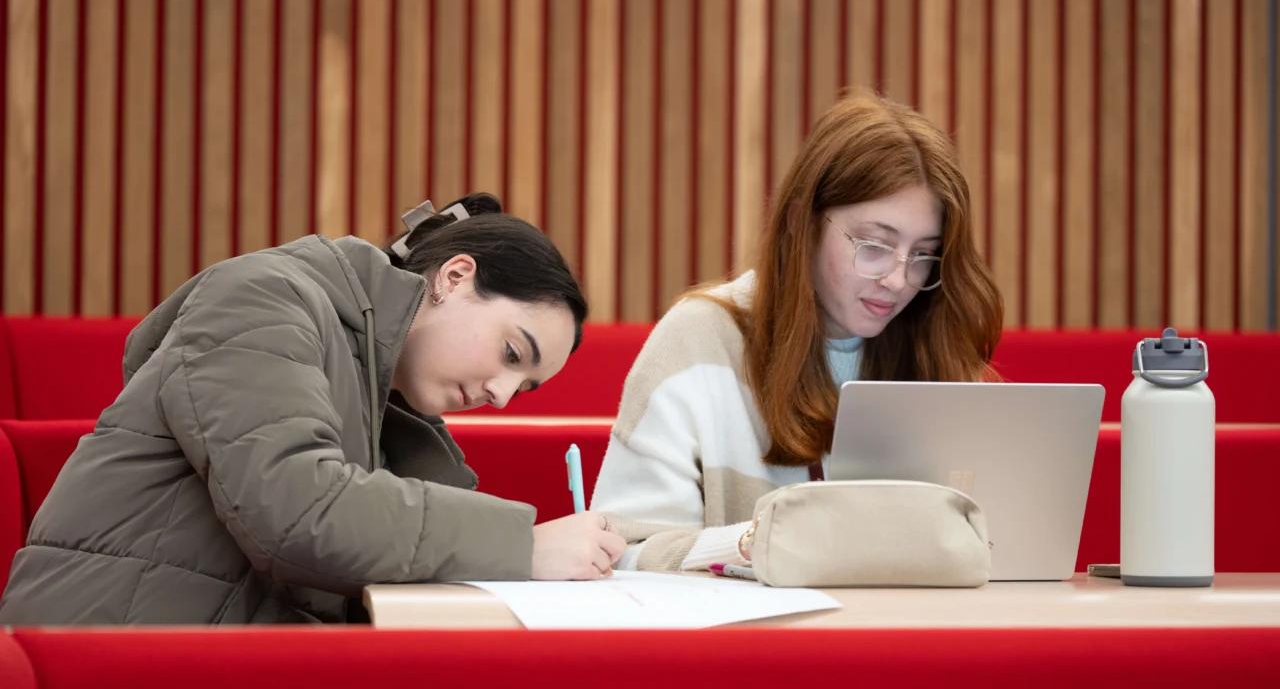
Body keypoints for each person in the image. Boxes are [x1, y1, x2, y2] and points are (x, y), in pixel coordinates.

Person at [0, 193, 625, 625]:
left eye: (526, 389)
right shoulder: (265, 297)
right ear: (454, 277)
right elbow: (297, 512)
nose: (502, 396)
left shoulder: (384, 403)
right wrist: (525, 547)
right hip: (103, 649)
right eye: (512, 353)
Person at [589, 91, 1004, 572]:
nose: (898, 279)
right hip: (749, 645)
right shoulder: (697, 340)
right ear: (801, 224)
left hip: (903, 637)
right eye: (873, 245)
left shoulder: (934, 342)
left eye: (924, 254)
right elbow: (625, 553)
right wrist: (756, 541)